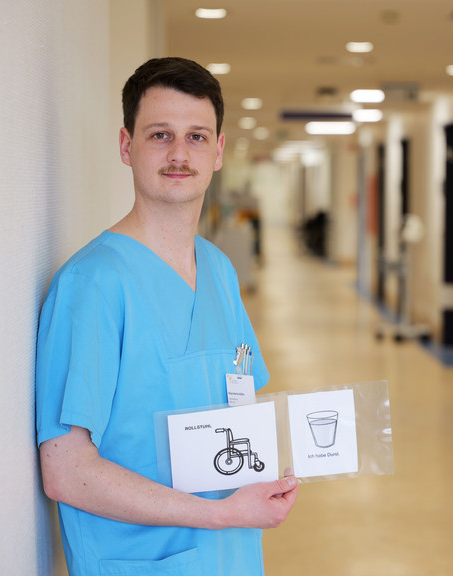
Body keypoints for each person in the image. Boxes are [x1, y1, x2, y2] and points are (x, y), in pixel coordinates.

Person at [35, 57, 299, 576]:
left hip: (232, 557)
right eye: (160, 135)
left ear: (218, 152)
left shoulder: (218, 269)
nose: (179, 154)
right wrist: (220, 514)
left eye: (197, 137)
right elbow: (66, 471)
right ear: (126, 145)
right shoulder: (93, 284)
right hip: (143, 562)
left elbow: (240, 404)